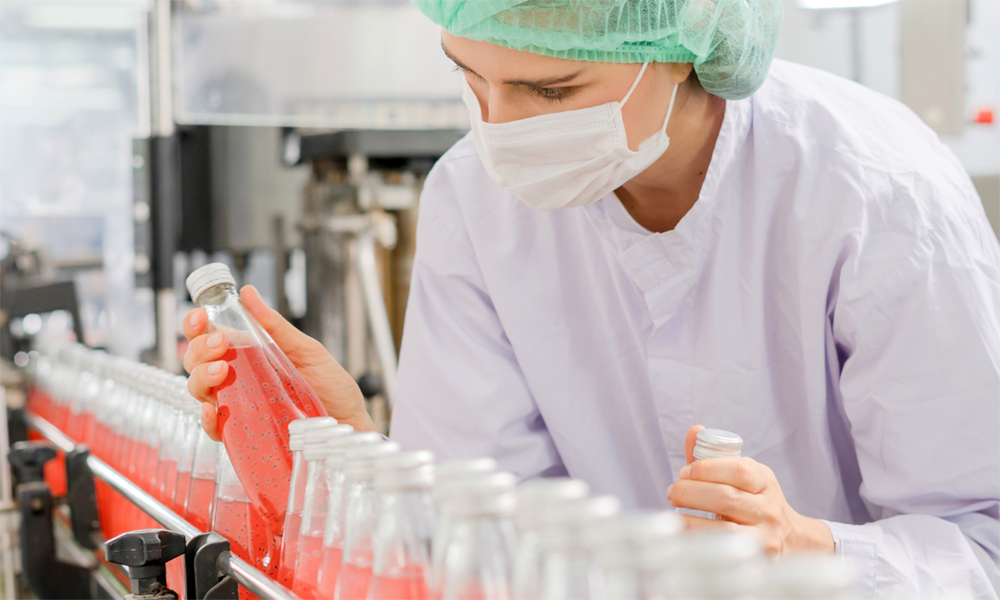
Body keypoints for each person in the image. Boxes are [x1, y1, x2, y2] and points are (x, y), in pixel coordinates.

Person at [182, 0, 1000, 597]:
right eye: (470, 78)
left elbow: (981, 547)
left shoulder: (873, 191)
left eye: (551, 91)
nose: (500, 131)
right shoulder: (473, 197)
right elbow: (480, 540)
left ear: (682, 40)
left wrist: (808, 552)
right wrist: (353, 454)